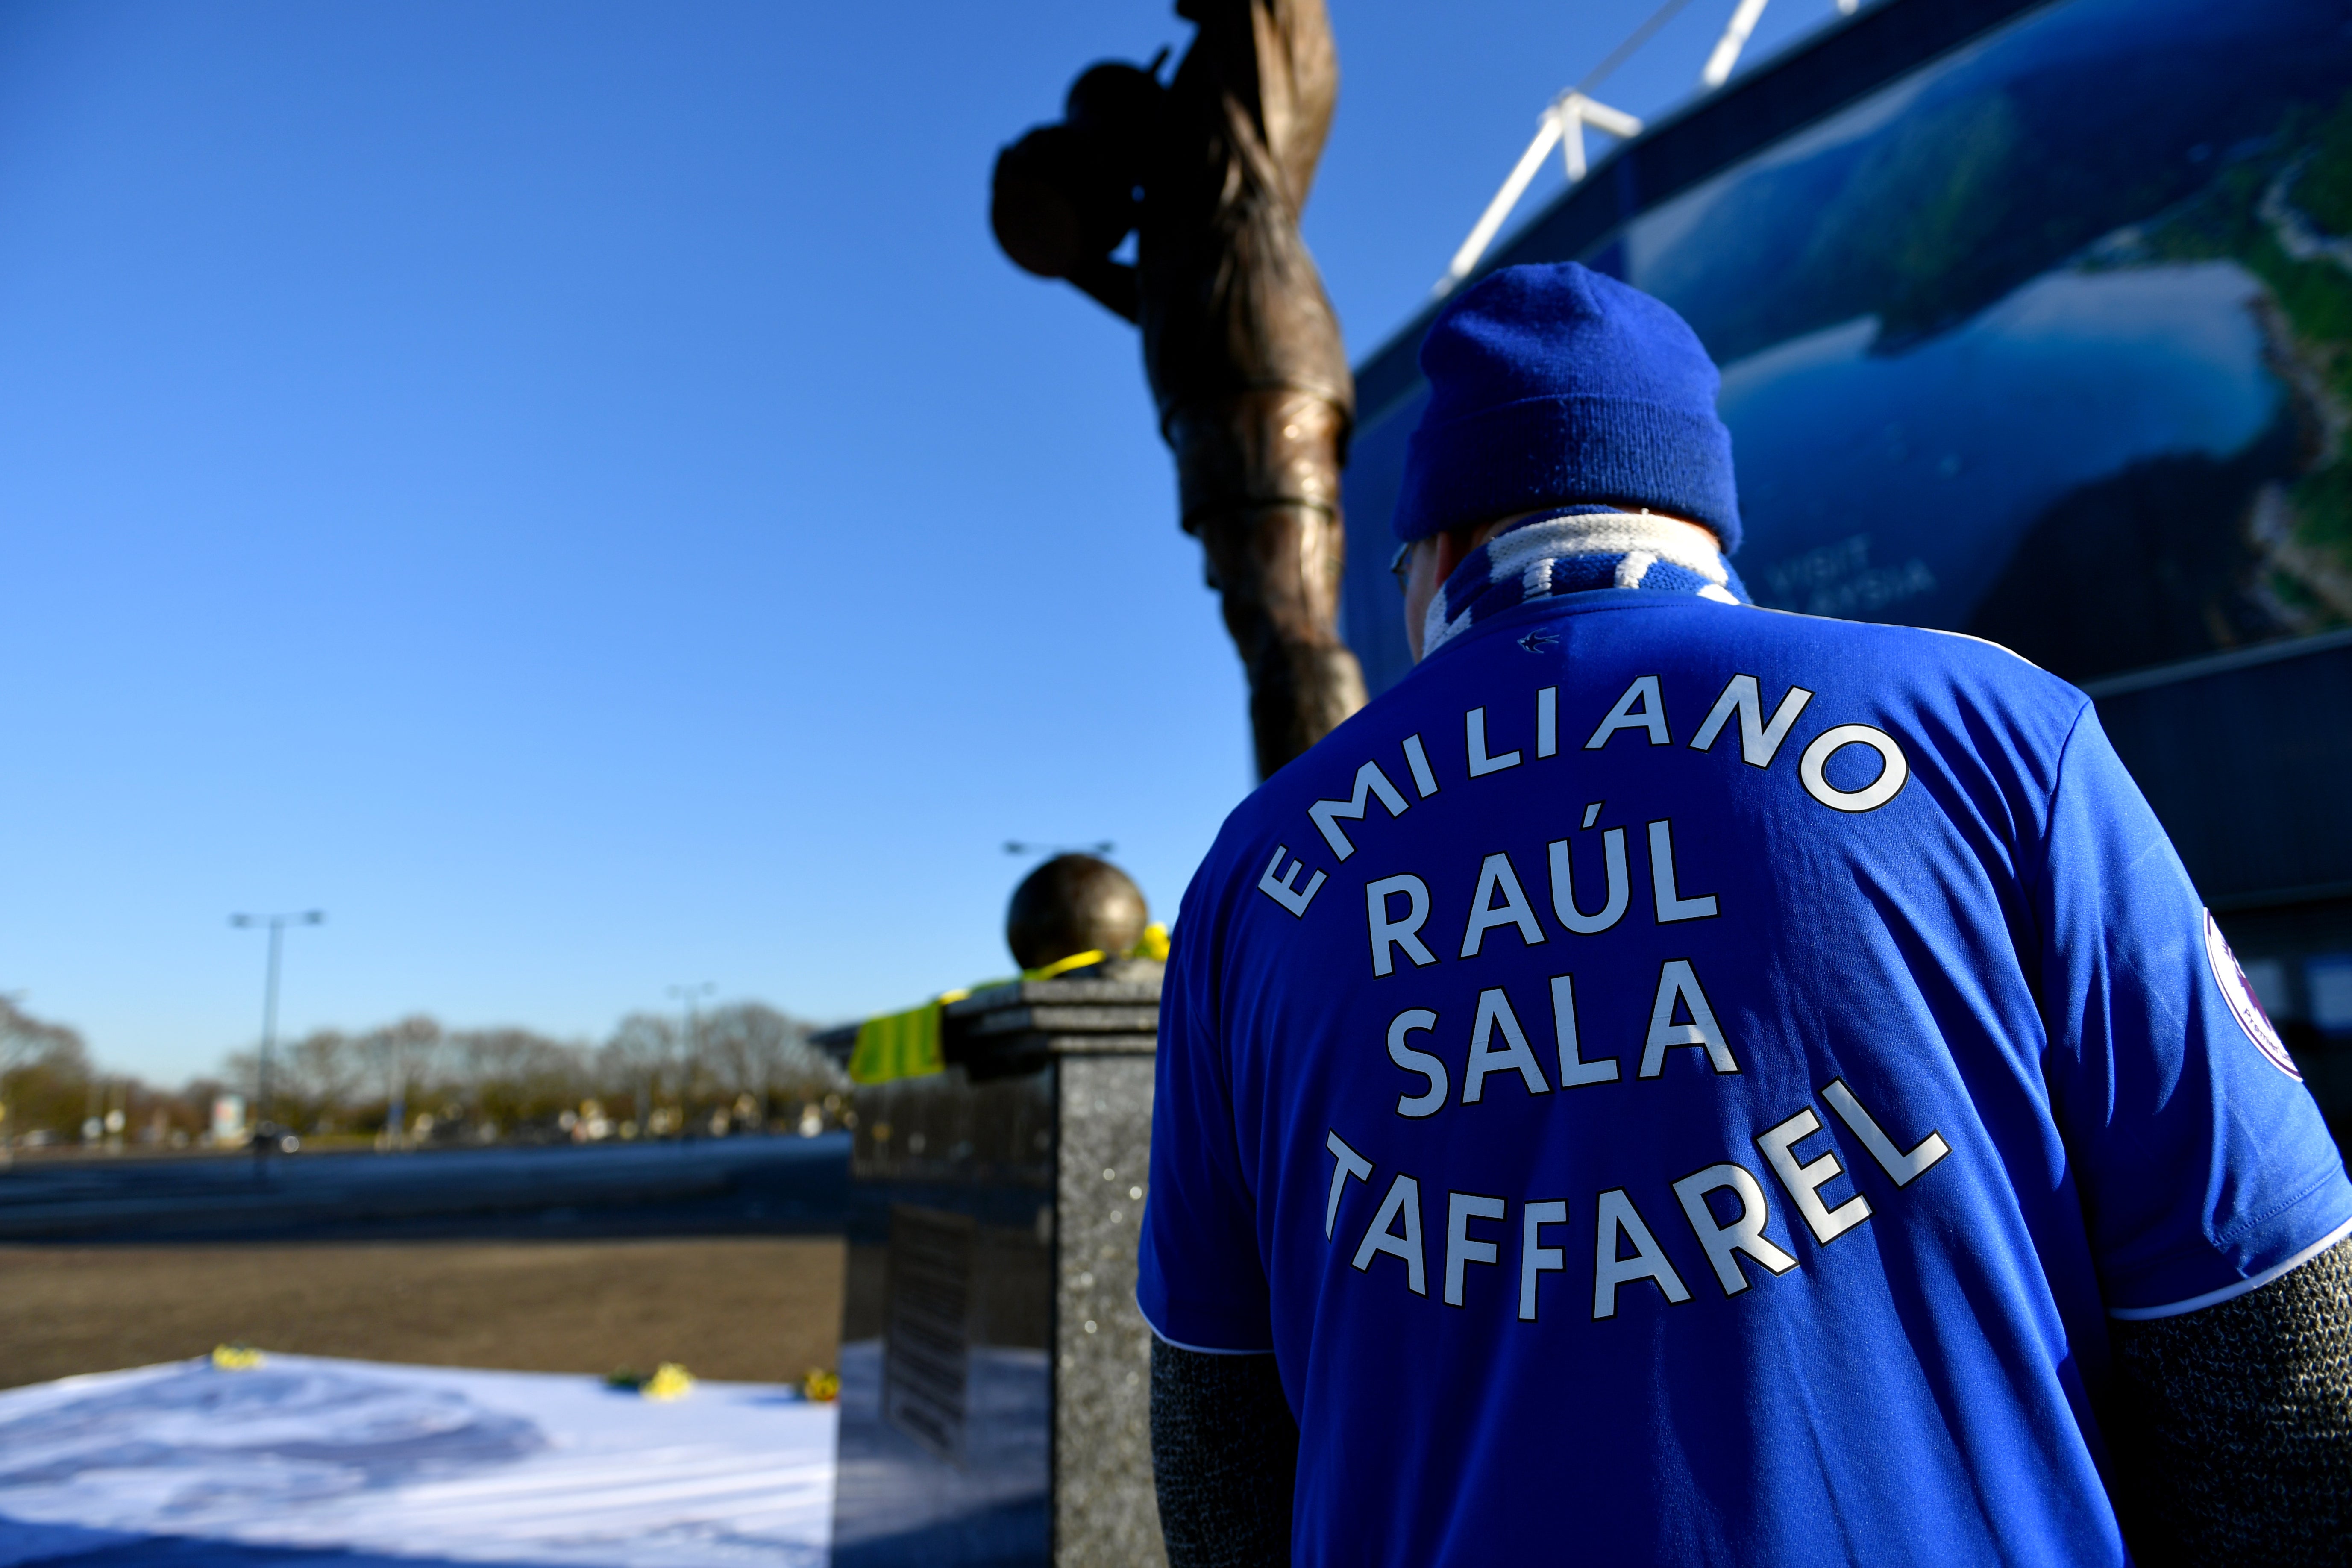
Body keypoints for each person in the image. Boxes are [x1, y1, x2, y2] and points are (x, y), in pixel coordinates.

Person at [1137, 261, 2352, 1565]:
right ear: (1701, 520)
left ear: (1432, 550)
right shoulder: (1996, 734)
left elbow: (1218, 1440)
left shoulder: (1251, 877)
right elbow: (2272, 1332)